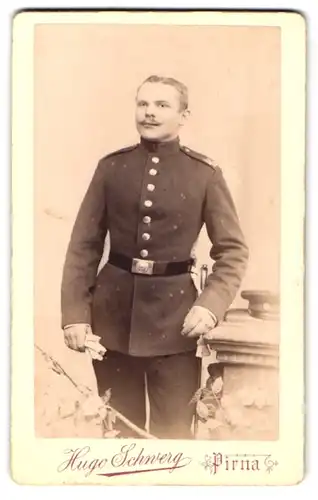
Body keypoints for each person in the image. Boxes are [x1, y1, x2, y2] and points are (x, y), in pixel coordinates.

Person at [61, 75, 249, 439]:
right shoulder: (111, 168)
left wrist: (211, 305)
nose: (149, 112)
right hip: (112, 320)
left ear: (184, 115)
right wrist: (74, 316)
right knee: (118, 434)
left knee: (173, 435)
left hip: (176, 322)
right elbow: (83, 246)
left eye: (162, 105)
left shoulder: (204, 174)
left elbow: (234, 251)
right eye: (143, 104)